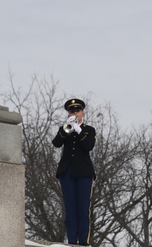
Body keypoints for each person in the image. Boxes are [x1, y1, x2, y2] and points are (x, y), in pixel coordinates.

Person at [52, 97, 96, 246]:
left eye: (77, 111)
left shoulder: (89, 130)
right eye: (72, 111)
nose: (74, 113)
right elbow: (56, 143)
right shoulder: (65, 128)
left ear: (82, 113)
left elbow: (88, 146)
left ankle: (83, 242)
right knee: (70, 209)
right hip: (67, 172)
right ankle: (71, 241)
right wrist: (67, 128)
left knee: (83, 209)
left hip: (84, 172)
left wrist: (78, 130)